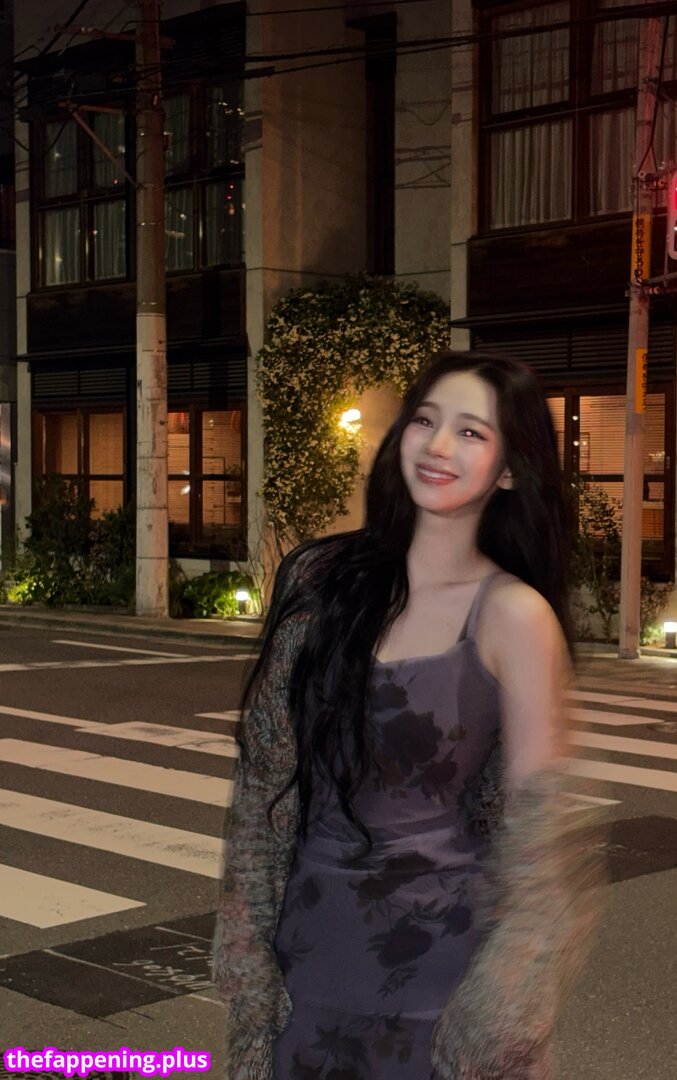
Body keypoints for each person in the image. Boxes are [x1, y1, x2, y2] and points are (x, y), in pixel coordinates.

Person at [213, 350, 605, 1080]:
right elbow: (262, 786)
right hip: (304, 962)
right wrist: (248, 962)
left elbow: (539, 847)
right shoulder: (322, 580)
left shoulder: (515, 616)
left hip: (439, 985)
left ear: (509, 469)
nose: (438, 445)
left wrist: (495, 1022)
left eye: (471, 432)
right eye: (426, 421)